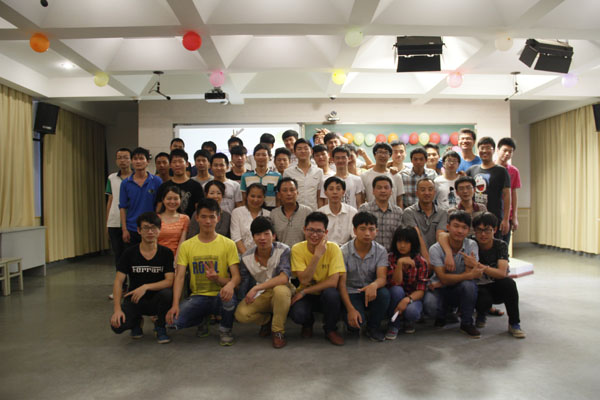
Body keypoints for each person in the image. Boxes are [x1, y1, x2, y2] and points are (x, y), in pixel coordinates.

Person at [166, 198, 241, 346]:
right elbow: (180, 277)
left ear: (218, 218)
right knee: (173, 322)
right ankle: (202, 319)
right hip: (197, 297)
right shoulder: (187, 246)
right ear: (197, 218)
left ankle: (225, 329)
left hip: (220, 295)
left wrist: (224, 282)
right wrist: (175, 304)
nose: (208, 221)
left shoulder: (229, 244)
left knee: (229, 300)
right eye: (204, 217)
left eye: (212, 217)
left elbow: (236, 277)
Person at [110, 212, 174, 344]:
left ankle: (160, 326)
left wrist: (146, 287)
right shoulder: (129, 253)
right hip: (135, 299)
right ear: (139, 230)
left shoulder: (166, 253)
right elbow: (118, 281)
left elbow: (169, 281)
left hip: (157, 299)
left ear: (159, 230)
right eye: (145, 228)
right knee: (117, 326)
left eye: (153, 228)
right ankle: (136, 322)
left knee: (167, 294)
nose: (150, 232)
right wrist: (117, 309)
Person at [234, 217, 293, 348]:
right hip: (263, 294)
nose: (262, 238)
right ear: (253, 237)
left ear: (273, 236)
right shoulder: (246, 258)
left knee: (280, 290)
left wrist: (256, 288)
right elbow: (242, 281)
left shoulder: (283, 250)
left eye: (266, 234)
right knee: (241, 314)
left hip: (283, 291)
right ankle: (267, 321)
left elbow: (284, 278)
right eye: (258, 234)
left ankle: (278, 332)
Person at [289, 212, 346, 346]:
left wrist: (305, 291)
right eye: (311, 230)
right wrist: (317, 255)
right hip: (307, 295)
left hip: (322, 292)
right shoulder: (297, 249)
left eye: (319, 231)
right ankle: (308, 324)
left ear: (326, 232)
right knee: (298, 314)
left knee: (332, 295)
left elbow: (333, 282)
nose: (314, 235)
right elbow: (304, 280)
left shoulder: (334, 248)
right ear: (304, 229)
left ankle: (330, 329)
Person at [426, 211, 483, 338]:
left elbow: (473, 274)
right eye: (456, 226)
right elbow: (443, 278)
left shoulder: (472, 245)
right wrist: (468, 275)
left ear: (468, 230)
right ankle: (444, 314)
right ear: (448, 227)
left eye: (464, 227)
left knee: (469, 286)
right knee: (430, 305)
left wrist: (469, 274)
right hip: (439, 289)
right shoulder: (435, 249)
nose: (460, 231)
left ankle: (467, 323)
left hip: (457, 287)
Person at [471, 212, 526, 338]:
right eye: (479, 230)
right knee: (478, 295)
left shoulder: (500, 245)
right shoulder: (471, 243)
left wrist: (478, 265)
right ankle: (481, 314)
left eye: (487, 230)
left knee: (509, 284)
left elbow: (501, 273)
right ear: (474, 231)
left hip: (495, 284)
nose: (483, 234)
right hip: (478, 286)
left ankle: (514, 323)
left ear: (494, 230)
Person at [339, 212, 390, 342]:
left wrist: (374, 285)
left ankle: (373, 328)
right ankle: (350, 319)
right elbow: (342, 284)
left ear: (376, 231)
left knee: (384, 294)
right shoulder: (343, 251)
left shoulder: (381, 251)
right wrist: (351, 309)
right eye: (362, 229)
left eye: (371, 229)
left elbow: (382, 278)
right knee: (355, 325)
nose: (367, 233)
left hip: (371, 291)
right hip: (351, 292)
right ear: (354, 230)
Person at [385, 226, 428, 339]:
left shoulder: (421, 262)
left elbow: (420, 291)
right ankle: (394, 325)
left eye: (407, 242)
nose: (402, 245)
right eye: (399, 241)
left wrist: (407, 300)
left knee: (412, 312)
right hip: (395, 296)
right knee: (396, 290)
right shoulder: (390, 258)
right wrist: (399, 264)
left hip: (413, 297)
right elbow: (395, 282)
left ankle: (408, 321)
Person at [467, 137, 511, 239]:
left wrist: (506, 219)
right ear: (478, 150)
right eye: (482, 148)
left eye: (488, 148)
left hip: (495, 218)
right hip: (475, 217)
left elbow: (507, 196)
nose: (485, 151)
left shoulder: (501, 171)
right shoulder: (472, 170)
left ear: (494, 150)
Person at [119, 147, 163, 247]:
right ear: (131, 161)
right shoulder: (125, 183)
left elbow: (160, 203)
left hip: (151, 228)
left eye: (141, 158)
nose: (138, 161)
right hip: (132, 228)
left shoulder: (156, 181)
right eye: (135, 159)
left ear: (147, 161)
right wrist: (124, 229)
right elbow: (122, 207)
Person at [106, 147, 132, 299]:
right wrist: (107, 222)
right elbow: (110, 199)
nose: (123, 160)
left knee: (132, 255)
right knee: (118, 257)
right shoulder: (111, 178)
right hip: (114, 222)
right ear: (116, 160)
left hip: (131, 223)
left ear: (131, 160)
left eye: (126, 157)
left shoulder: (135, 178)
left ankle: (133, 286)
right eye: (120, 157)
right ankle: (121, 287)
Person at [155, 149, 204, 218]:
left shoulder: (196, 186)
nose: (177, 164)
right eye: (174, 162)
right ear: (170, 165)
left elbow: (199, 210)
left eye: (180, 161)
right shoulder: (164, 186)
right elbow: (159, 210)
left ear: (187, 164)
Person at [402, 178, 447, 250]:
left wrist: (435, 255)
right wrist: (426, 256)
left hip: (437, 253)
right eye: (423, 190)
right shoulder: (409, 212)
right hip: (416, 253)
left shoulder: (442, 213)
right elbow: (417, 236)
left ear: (434, 193)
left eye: (430, 189)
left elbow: (440, 237)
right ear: (417, 193)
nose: (427, 193)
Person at [359, 176, 403, 250]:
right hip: (369, 253)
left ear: (391, 191)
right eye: (379, 188)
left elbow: (400, 237)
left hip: (391, 254)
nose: (383, 191)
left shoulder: (398, 212)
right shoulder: (364, 209)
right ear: (373, 191)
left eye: (386, 188)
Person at [270, 177, 313, 248]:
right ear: (279, 195)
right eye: (285, 190)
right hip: (281, 253)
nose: (289, 193)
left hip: (302, 253)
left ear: (297, 193)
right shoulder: (273, 214)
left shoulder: (307, 212)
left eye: (292, 190)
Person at [283, 139, 323, 211]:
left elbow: (319, 196)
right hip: (294, 212)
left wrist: (320, 213)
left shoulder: (319, 172)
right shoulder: (288, 172)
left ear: (311, 151)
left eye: (306, 148)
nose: (303, 151)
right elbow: (285, 195)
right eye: (299, 149)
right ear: (295, 152)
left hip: (313, 212)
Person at [231, 183, 270, 254]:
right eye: (252, 196)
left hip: (263, 256)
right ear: (246, 196)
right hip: (241, 255)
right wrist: (248, 257)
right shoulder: (237, 212)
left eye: (259, 197)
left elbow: (270, 239)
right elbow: (236, 238)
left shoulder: (268, 214)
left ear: (264, 198)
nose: (255, 200)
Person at [360, 142, 404, 207]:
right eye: (380, 152)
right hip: (371, 212)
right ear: (374, 155)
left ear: (390, 156)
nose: (383, 155)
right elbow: (362, 199)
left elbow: (399, 200)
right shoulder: (364, 176)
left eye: (386, 153)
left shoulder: (396, 176)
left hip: (392, 212)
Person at [317, 176, 357, 246]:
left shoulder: (352, 212)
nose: (335, 192)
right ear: (325, 193)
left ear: (343, 192)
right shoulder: (319, 214)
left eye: (338, 189)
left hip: (347, 249)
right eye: (331, 189)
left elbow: (355, 237)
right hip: (325, 248)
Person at [240, 144, 281, 210]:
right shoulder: (245, 176)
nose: (261, 157)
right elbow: (244, 199)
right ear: (254, 157)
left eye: (264, 155)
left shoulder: (277, 176)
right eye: (258, 155)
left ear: (270, 157)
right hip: (251, 211)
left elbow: (278, 200)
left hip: (271, 212)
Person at [496, 137, 521, 244]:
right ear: (498, 150)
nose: (507, 154)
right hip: (492, 213)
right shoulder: (490, 168)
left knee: (504, 245)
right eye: (504, 150)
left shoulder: (514, 171)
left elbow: (513, 194)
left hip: (507, 216)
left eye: (510, 152)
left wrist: (514, 217)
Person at [157, 186, 190, 260]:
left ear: (180, 200)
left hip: (178, 258)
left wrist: (176, 260)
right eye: (169, 198)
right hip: (158, 257)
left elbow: (182, 242)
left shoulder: (185, 219)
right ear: (163, 200)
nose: (172, 202)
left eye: (176, 199)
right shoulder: (156, 218)